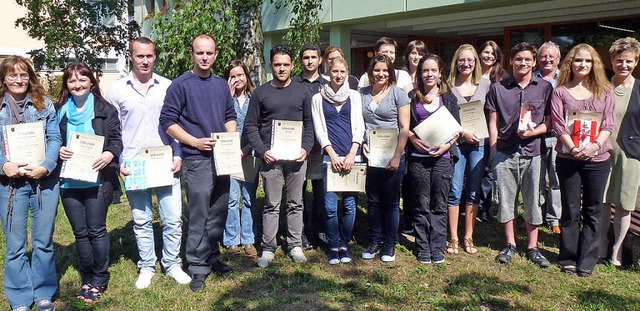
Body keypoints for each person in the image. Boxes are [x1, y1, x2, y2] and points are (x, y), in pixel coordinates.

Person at [105, 37, 191, 289]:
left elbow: (177, 124)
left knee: (173, 218)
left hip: (164, 162)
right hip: (134, 165)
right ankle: (147, 266)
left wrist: (178, 155)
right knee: (141, 220)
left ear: (155, 57)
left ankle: (173, 264)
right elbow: (113, 130)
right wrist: (119, 161)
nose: (145, 61)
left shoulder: (168, 86)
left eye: (149, 56)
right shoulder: (116, 90)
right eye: (140, 56)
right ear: (131, 56)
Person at [159, 34, 237, 292]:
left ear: (215, 55)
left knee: (218, 211)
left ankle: (211, 257)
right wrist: (194, 142)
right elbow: (168, 122)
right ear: (192, 54)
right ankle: (196, 266)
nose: (204, 57)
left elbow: (229, 115)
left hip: (221, 158)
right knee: (199, 214)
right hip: (197, 160)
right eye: (200, 52)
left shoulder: (221, 86)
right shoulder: (180, 85)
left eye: (209, 53)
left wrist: (230, 140)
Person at [56, 62, 122, 302]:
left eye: (82, 79)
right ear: (67, 84)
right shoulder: (59, 110)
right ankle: (87, 278)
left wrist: (109, 154)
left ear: (91, 81)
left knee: (96, 230)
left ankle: (100, 278)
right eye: (72, 80)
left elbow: (116, 139)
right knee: (80, 233)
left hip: (97, 181)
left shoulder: (105, 109)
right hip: (69, 183)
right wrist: (58, 151)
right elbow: (51, 140)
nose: (77, 84)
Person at [0, 56, 61, 311]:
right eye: (12, 75)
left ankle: (44, 292)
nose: (18, 80)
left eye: (23, 74)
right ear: (4, 79)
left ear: (30, 77)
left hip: (43, 183)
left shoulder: (44, 104)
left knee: (43, 242)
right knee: (15, 246)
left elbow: (55, 137)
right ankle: (20, 297)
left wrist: (46, 165)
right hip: (9, 186)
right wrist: (4, 164)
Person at [244, 45, 315, 267]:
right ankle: (268, 248)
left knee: (296, 203)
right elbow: (250, 125)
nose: (282, 68)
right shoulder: (260, 93)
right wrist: (263, 151)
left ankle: (295, 245)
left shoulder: (302, 92)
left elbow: (309, 124)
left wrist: (306, 148)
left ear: (292, 65)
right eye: (277, 64)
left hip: (296, 158)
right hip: (271, 158)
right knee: (271, 204)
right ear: (271, 65)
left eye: (286, 64)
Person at [487, 42, 552, 268]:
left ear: (534, 62)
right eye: (518, 59)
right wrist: (494, 150)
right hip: (505, 152)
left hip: (533, 152)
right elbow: (493, 122)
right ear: (511, 61)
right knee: (506, 200)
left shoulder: (544, 87)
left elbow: (550, 121)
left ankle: (533, 247)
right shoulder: (498, 88)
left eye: (527, 59)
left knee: (533, 199)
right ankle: (510, 244)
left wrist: (535, 131)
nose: (522, 62)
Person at [552, 43, 615, 277]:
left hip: (598, 160)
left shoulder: (605, 91)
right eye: (578, 60)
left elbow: (608, 124)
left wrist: (594, 146)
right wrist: (574, 148)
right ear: (570, 63)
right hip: (568, 158)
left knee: (593, 209)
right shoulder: (560, 92)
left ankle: (587, 259)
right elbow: (558, 125)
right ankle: (568, 257)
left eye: (587, 61)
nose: (583, 64)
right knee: (569, 210)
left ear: (594, 64)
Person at [311, 57, 365, 264]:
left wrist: (352, 153)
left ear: (347, 72)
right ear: (328, 73)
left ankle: (344, 243)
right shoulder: (318, 98)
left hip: (353, 157)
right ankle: (333, 245)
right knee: (330, 205)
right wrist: (332, 155)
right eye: (335, 72)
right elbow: (319, 130)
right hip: (329, 158)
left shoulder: (354, 96)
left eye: (342, 72)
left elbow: (359, 127)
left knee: (350, 205)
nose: (339, 75)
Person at [408, 54, 459, 264]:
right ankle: (422, 247)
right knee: (420, 204)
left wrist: (446, 146)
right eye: (424, 71)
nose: (429, 74)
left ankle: (437, 247)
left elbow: (457, 129)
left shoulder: (449, 98)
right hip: (419, 158)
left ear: (440, 74)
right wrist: (412, 139)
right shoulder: (412, 97)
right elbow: (405, 126)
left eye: (433, 71)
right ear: (420, 74)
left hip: (442, 158)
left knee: (439, 204)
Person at [360, 54, 411, 262]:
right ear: (370, 72)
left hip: (393, 155)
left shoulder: (398, 94)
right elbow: (359, 123)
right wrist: (363, 142)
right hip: (370, 156)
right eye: (376, 70)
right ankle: (375, 239)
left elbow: (404, 128)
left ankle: (390, 244)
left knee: (390, 202)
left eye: (384, 70)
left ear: (390, 73)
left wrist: (397, 156)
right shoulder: (361, 93)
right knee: (372, 201)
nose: (380, 74)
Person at [446, 44, 491, 255]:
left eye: (470, 60)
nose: (466, 64)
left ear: (476, 63)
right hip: (456, 145)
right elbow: (445, 117)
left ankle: (469, 236)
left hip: (478, 146)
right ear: (456, 62)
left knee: (473, 191)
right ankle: (453, 237)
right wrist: (463, 132)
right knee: (454, 191)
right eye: (462, 60)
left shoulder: (486, 84)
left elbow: (492, 115)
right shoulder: (448, 85)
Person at [599, 37, 640, 269]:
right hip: (603, 151)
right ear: (611, 61)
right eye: (618, 60)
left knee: (624, 203)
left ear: (636, 62)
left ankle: (616, 251)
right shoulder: (603, 88)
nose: (623, 65)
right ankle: (602, 244)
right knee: (603, 200)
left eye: (628, 61)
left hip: (630, 153)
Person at [222, 60, 259, 257]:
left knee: (249, 198)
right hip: (229, 157)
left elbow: (259, 128)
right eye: (232, 76)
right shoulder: (223, 99)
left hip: (249, 155)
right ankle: (231, 239)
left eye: (240, 75)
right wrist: (226, 97)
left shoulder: (255, 98)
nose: (237, 79)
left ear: (246, 76)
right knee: (231, 199)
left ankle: (249, 238)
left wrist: (245, 149)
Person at [296, 43, 328, 249]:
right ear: (301, 61)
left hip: (322, 147)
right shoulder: (294, 84)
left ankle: (321, 231)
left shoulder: (327, 84)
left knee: (321, 192)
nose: (310, 61)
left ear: (320, 60)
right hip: (297, 148)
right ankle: (301, 233)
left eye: (313, 57)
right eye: (306, 57)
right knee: (297, 193)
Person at [534, 41, 563, 235]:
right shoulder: (532, 78)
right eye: (543, 56)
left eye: (551, 56)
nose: (547, 59)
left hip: (557, 137)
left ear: (558, 59)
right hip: (535, 137)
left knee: (555, 179)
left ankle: (554, 219)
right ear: (538, 59)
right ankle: (535, 215)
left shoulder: (566, 78)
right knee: (535, 179)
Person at [477, 40, 507, 223]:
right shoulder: (471, 73)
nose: (488, 56)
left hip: (493, 128)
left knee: (488, 170)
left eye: (492, 53)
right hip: (473, 128)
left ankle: (483, 207)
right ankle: (470, 203)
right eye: (485, 52)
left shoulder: (502, 77)